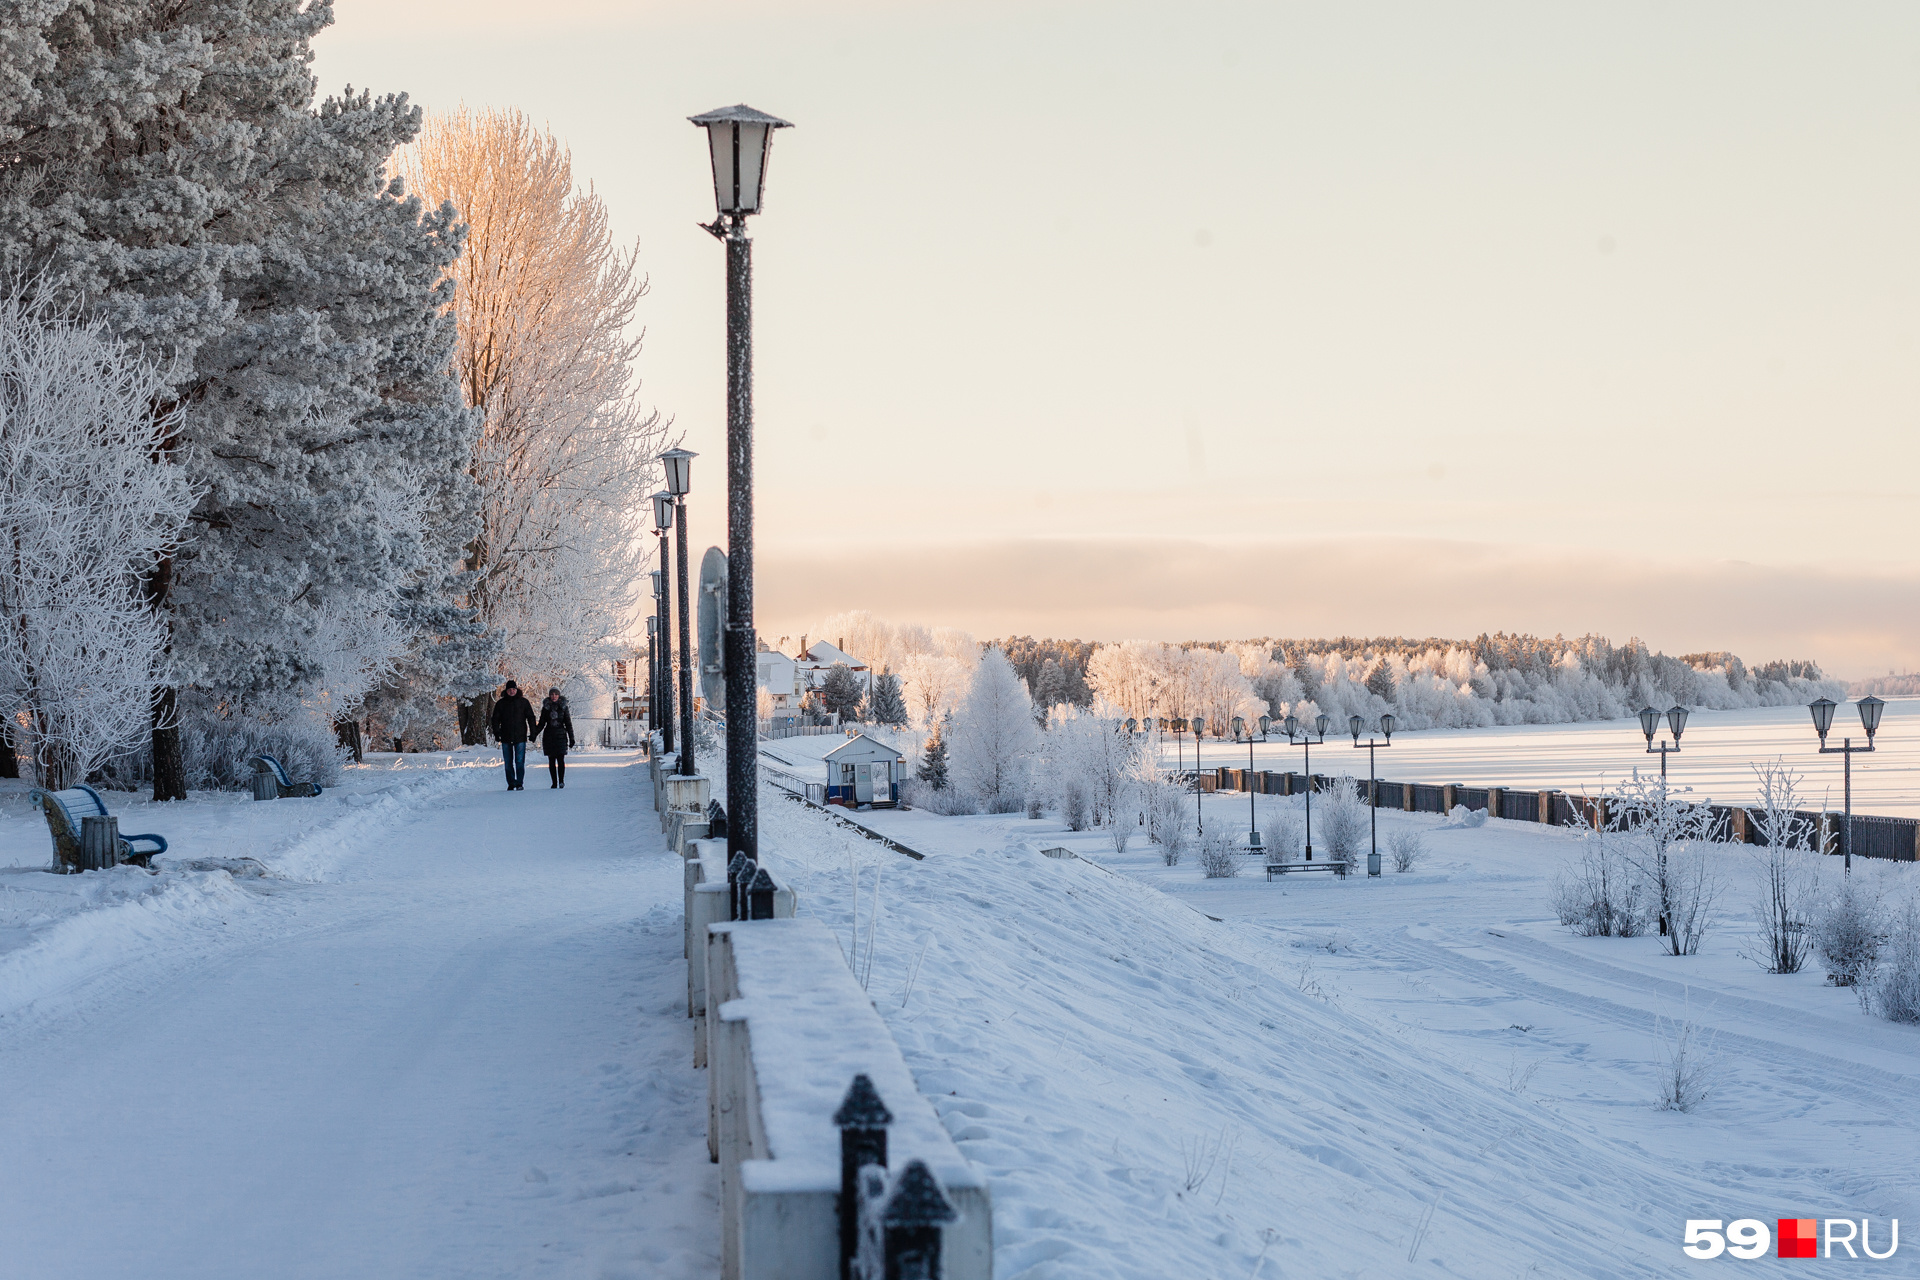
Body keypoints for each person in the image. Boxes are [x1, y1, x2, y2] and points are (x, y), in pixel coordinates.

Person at [489, 680, 538, 790]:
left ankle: (519, 783)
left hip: (520, 736)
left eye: (514, 689)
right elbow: (495, 719)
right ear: (506, 691)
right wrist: (496, 733)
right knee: (508, 762)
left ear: (517, 690)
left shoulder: (523, 702)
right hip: (505, 736)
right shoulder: (500, 704)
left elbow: (531, 717)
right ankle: (511, 783)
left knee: (519, 761)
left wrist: (533, 732)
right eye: (510, 690)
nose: (512, 691)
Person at [534, 687, 576, 788]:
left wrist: (572, 738)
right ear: (549, 695)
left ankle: (561, 781)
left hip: (561, 736)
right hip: (549, 736)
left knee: (561, 759)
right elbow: (541, 723)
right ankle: (554, 782)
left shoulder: (564, 707)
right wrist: (534, 734)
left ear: (559, 696)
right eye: (552, 694)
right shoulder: (546, 708)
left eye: (556, 694)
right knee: (551, 760)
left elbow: (568, 724)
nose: (554, 696)